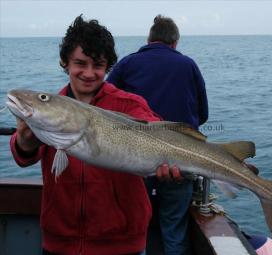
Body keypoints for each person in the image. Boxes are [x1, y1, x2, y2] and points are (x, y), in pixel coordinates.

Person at [10, 15, 180, 255]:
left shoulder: (129, 104)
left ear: (108, 66)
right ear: (65, 63)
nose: (89, 73)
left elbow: (155, 128)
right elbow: (23, 156)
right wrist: (25, 140)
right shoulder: (50, 108)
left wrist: (169, 159)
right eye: (80, 63)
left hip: (122, 243)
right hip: (60, 242)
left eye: (98, 65)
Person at [107, 15, 208, 255]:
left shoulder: (127, 64)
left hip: (135, 159)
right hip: (181, 160)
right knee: (174, 228)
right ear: (175, 42)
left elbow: (105, 108)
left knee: (134, 227)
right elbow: (203, 114)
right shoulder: (189, 65)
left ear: (149, 39)